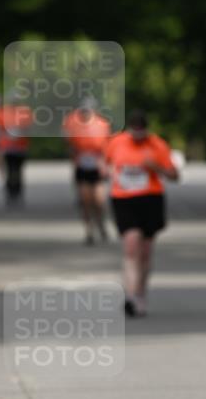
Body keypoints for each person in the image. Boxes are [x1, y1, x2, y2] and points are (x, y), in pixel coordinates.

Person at [105, 110, 178, 316]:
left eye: (141, 132)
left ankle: (140, 293)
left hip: (150, 199)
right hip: (124, 199)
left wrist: (155, 167)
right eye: (134, 132)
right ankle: (130, 295)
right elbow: (106, 162)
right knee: (131, 245)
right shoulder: (117, 142)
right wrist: (109, 172)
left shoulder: (157, 145)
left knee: (145, 252)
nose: (137, 136)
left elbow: (174, 175)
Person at [62, 97, 112, 244]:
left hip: (97, 166)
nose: (84, 114)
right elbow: (68, 142)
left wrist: (105, 163)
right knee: (85, 201)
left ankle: (100, 223)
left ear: (93, 110)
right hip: (82, 166)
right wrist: (74, 155)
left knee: (99, 200)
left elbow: (107, 146)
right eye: (83, 111)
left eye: (88, 111)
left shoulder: (102, 124)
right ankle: (89, 230)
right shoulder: (72, 122)